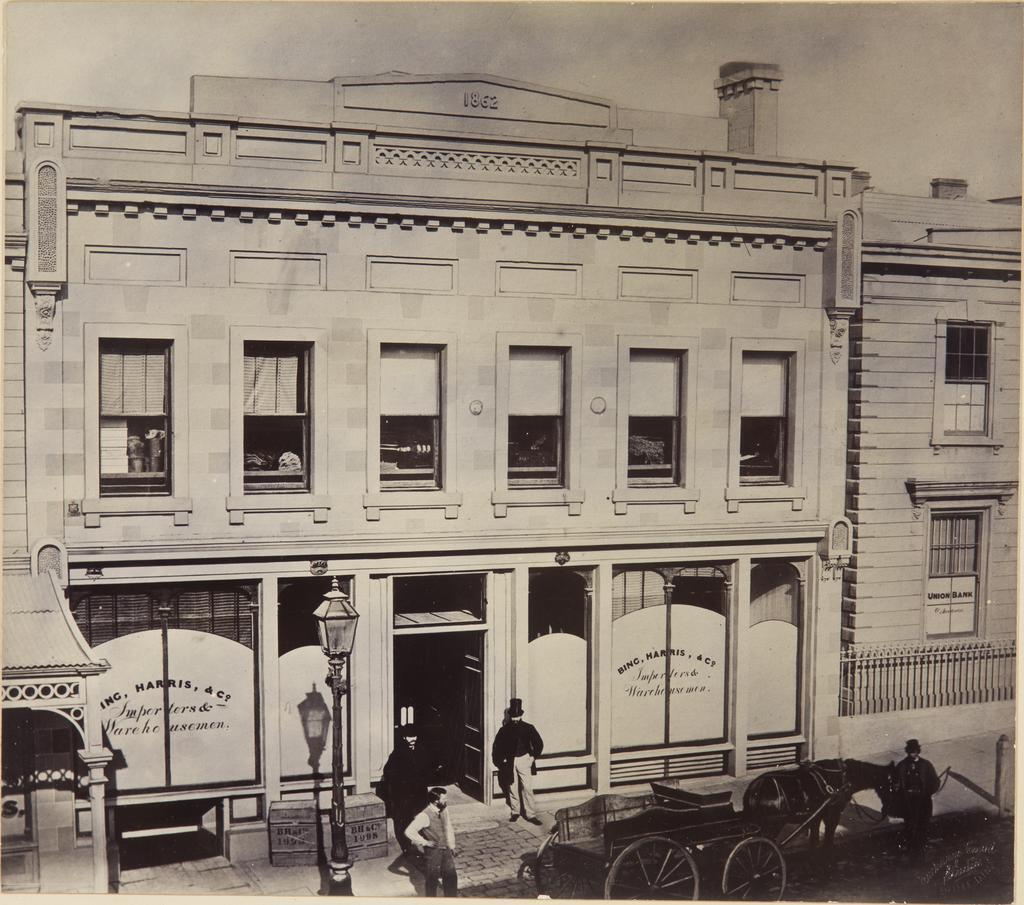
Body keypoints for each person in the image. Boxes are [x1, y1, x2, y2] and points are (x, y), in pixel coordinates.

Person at [377, 723, 430, 855]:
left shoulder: (421, 750)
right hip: (403, 794)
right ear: (404, 737)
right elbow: (389, 772)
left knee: (420, 819)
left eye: (415, 736)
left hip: (418, 793)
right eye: (409, 736)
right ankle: (406, 847)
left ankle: (423, 845)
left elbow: (426, 769)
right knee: (403, 820)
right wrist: (401, 783)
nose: (413, 739)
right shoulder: (398, 753)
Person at [491, 697, 544, 825]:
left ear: (521, 715)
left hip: (524, 760)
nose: (515, 719)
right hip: (509, 762)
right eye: (513, 716)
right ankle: (515, 812)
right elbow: (497, 747)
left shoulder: (529, 728)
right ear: (510, 716)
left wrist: (532, 757)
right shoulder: (504, 730)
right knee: (512, 786)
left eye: (517, 716)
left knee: (527, 788)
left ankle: (530, 814)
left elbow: (539, 744)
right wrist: (501, 762)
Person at [405, 786, 458, 897]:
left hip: (446, 850)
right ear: (435, 801)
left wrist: (452, 845)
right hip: (433, 853)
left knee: (451, 876)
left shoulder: (444, 810)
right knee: (432, 879)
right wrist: (425, 842)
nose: (446, 800)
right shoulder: (424, 815)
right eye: (444, 799)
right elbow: (409, 831)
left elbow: (448, 827)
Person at [895, 738, 940, 855]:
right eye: (910, 752)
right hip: (908, 800)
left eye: (914, 751)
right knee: (910, 823)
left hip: (923, 799)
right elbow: (896, 783)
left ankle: (922, 845)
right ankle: (911, 847)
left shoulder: (926, 765)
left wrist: (928, 792)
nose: (912, 754)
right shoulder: (902, 766)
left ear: (918, 752)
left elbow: (935, 781)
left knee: (923, 822)